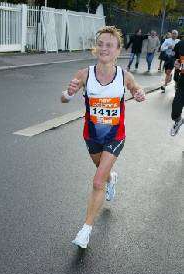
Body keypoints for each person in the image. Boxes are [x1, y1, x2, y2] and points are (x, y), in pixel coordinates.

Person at [61, 26, 145, 249]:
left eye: (110, 45)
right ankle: (111, 177)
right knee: (102, 172)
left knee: (97, 180)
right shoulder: (84, 74)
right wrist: (68, 93)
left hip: (115, 136)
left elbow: (137, 90)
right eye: (101, 44)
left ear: (118, 50)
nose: (104, 48)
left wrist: (139, 93)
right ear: (96, 47)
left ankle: (85, 230)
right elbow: (64, 98)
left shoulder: (124, 76)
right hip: (92, 137)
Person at [170, 35, 184, 136]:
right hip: (183, 81)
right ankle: (178, 120)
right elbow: (177, 59)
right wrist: (177, 64)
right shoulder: (181, 44)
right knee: (175, 108)